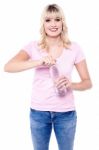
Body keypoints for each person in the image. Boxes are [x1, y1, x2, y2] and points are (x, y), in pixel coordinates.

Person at [4, 3, 92, 150]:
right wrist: (39, 61)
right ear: (43, 24)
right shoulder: (33, 46)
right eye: (48, 20)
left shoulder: (74, 48)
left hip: (66, 114)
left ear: (63, 22)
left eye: (57, 19)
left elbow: (87, 82)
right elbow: (8, 67)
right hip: (38, 113)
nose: (53, 24)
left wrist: (71, 84)